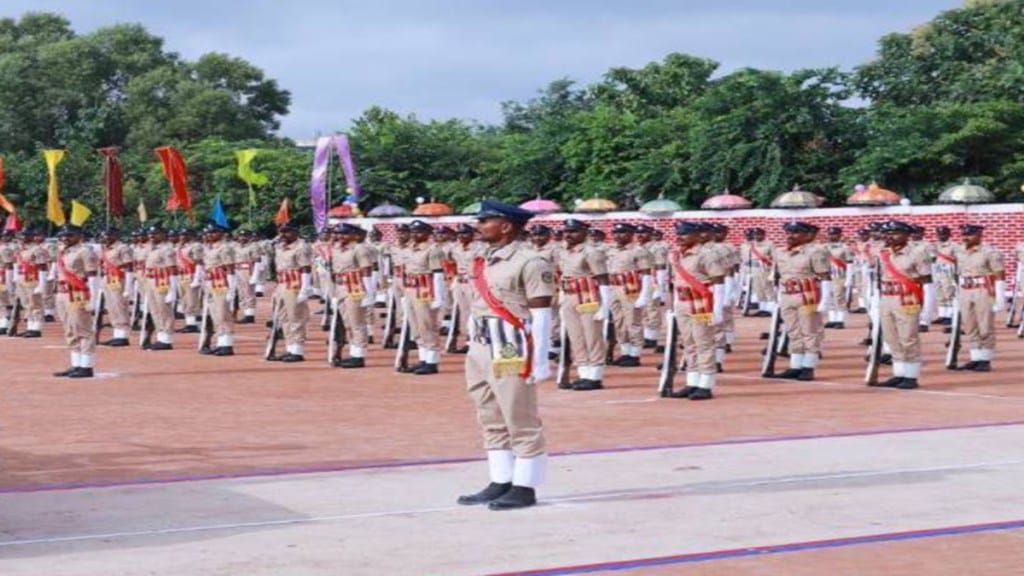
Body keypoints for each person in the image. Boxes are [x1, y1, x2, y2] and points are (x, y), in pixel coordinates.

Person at [457, 200, 554, 510]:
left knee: (519, 415)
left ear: (506, 225)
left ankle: (525, 485)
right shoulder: (484, 259)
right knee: (489, 413)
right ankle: (501, 479)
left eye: (486, 220)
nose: (479, 225)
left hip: (512, 345)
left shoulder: (531, 261)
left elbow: (541, 313)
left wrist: (539, 360)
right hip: (482, 344)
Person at [667, 222, 727, 400]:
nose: (679, 237)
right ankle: (692, 381)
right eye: (678, 234)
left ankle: (705, 384)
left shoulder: (706, 255)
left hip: (701, 303)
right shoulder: (676, 255)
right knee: (689, 343)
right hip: (683, 302)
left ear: (697, 235)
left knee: (703, 343)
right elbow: (676, 282)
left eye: (684, 234)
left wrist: (718, 309)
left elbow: (718, 282)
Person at [872, 221, 931, 389]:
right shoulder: (883, 253)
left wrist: (928, 310)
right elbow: (878, 278)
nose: (890, 236)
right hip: (887, 297)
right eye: (887, 233)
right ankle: (899, 373)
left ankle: (911, 376)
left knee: (908, 338)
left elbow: (927, 281)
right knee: (892, 338)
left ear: (906, 235)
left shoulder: (917, 253)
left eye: (895, 233)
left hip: (907, 299)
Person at [770, 221, 831, 381]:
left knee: (809, 331)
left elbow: (825, 276)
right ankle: (795, 365)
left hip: (807, 295)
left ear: (806, 235)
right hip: (787, 295)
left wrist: (825, 300)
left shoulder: (815, 252)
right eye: (788, 232)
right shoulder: (780, 252)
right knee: (793, 331)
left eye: (796, 232)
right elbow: (777, 276)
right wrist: (777, 296)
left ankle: (808, 367)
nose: (790, 236)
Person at [557, 219, 611, 391]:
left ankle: (595, 375)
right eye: (566, 231)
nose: (568, 235)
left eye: (573, 231)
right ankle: (583, 372)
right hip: (569, 295)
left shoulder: (591, 252)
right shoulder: (565, 252)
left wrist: (605, 306)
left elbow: (603, 279)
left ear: (584, 233)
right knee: (576, 336)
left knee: (592, 335)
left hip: (587, 295)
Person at [954, 224, 1005, 372]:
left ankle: (985, 359)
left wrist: (1000, 297)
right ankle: (976, 357)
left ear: (979, 235)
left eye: (969, 234)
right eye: (963, 234)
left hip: (983, 290)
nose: (965, 237)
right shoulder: (959, 251)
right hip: (965, 290)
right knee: (969, 325)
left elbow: (999, 274)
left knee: (985, 325)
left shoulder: (990, 252)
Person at [52, 224, 101, 378]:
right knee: (70, 330)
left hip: (78, 294)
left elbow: (92, 276)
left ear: (79, 236)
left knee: (83, 330)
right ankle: (76, 364)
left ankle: (86, 366)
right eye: (63, 236)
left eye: (70, 235)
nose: (65, 238)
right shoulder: (62, 252)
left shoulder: (85, 252)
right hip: (63, 293)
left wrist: (93, 299)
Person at [604, 223, 653, 367]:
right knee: (619, 321)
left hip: (630, 288)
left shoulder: (639, 251)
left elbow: (646, 274)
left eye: (622, 233)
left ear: (632, 234)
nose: (618, 236)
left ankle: (635, 354)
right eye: (615, 233)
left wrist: (645, 294)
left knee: (633, 321)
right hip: (614, 286)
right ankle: (625, 351)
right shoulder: (611, 250)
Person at [402, 220, 446, 375]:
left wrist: (438, 297)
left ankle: (432, 360)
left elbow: (438, 274)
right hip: (411, 289)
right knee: (416, 326)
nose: (415, 235)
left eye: (419, 232)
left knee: (427, 325)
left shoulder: (433, 250)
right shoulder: (409, 249)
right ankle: (423, 358)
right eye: (413, 232)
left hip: (426, 290)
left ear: (428, 234)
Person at [330, 223, 375, 368]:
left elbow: (366, 271)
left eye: (344, 234)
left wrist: (369, 293)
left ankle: (359, 356)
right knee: (347, 323)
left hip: (355, 287)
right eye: (337, 234)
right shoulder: (336, 249)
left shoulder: (359, 249)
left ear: (353, 235)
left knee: (357, 323)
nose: (339, 237)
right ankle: (353, 352)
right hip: (341, 287)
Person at [269, 220, 314, 362]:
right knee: (284, 318)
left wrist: (305, 289)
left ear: (296, 232)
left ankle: (297, 350)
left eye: (287, 231)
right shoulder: (280, 247)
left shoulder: (301, 247)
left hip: (295, 285)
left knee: (296, 317)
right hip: (282, 284)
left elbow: (306, 268)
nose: (283, 234)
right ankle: (290, 347)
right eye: (281, 231)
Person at [199, 223, 238, 356]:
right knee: (215, 314)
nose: (210, 235)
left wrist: (231, 290)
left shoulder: (225, 248)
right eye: (208, 233)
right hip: (211, 283)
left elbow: (230, 269)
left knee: (223, 314)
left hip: (222, 283)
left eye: (213, 232)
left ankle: (227, 344)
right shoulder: (208, 248)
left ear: (221, 233)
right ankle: (221, 342)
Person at [143, 226, 180, 350]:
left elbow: (173, 270)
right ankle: (160, 336)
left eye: (155, 233)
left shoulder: (166, 250)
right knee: (154, 310)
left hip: (162, 281)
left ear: (163, 235)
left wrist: (173, 290)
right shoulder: (150, 249)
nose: (151, 236)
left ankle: (166, 338)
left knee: (163, 309)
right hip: (150, 280)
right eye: (150, 233)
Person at [97, 228, 135, 346]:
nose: (105, 238)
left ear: (116, 236)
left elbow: (129, 266)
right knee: (111, 307)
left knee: (119, 306)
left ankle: (123, 335)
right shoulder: (104, 249)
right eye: (103, 236)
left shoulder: (122, 248)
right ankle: (117, 333)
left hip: (119, 279)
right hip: (108, 279)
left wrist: (128, 288)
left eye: (109, 235)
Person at [14, 227, 51, 338]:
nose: (22, 238)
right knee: (26, 304)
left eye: (26, 235)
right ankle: (30, 326)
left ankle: (36, 328)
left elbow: (42, 267)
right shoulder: (21, 249)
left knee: (35, 304)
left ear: (32, 236)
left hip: (33, 279)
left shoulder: (37, 250)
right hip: (22, 279)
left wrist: (42, 284)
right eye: (21, 236)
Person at [823, 226, 852, 329]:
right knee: (829, 297)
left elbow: (849, 264)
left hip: (839, 275)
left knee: (839, 297)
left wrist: (848, 279)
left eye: (834, 234)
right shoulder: (824, 247)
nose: (832, 236)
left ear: (840, 235)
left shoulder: (844, 248)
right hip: (826, 276)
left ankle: (840, 320)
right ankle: (832, 319)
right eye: (830, 234)